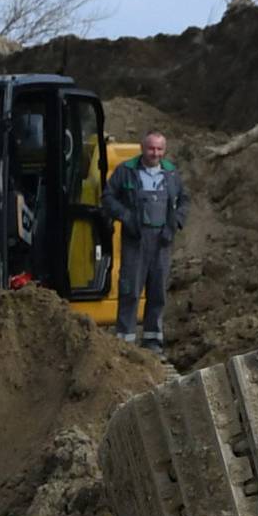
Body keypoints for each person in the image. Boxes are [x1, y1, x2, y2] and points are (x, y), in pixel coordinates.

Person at [109, 129, 187, 351]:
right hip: (135, 240)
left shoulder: (171, 174)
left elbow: (184, 201)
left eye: (159, 149)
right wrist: (125, 217)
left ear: (164, 150)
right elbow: (108, 197)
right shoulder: (126, 171)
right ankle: (124, 342)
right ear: (143, 148)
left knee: (157, 291)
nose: (155, 153)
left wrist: (174, 225)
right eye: (151, 148)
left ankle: (153, 340)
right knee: (130, 290)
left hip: (162, 241)